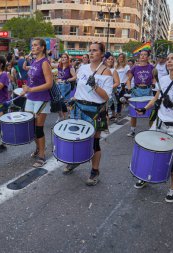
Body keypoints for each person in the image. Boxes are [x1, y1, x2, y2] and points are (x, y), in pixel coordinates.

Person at [134, 51, 173, 202]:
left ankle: (172, 189)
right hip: (160, 121)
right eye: (168, 59)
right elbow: (156, 98)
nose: (169, 61)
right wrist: (145, 108)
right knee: (151, 151)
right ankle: (145, 177)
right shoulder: (162, 79)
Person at [63, 42, 114, 186]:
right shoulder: (83, 68)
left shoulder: (106, 72)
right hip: (78, 108)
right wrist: (73, 100)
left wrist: (95, 86)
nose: (91, 53)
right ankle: (75, 161)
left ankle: (94, 171)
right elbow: (79, 88)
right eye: (90, 50)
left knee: (94, 142)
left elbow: (106, 97)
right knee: (75, 138)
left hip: (95, 111)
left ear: (102, 54)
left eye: (95, 51)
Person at [21, 38, 53, 168]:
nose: (32, 47)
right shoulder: (34, 61)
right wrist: (26, 90)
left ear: (42, 48)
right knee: (31, 127)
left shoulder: (45, 63)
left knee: (38, 129)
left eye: (35, 45)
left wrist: (31, 89)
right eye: (32, 45)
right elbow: (31, 81)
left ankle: (42, 155)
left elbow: (49, 84)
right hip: (31, 97)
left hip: (41, 98)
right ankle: (38, 148)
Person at [126, 50, 155, 137]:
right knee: (134, 112)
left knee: (150, 112)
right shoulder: (134, 68)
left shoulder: (151, 67)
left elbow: (154, 78)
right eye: (141, 55)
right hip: (137, 91)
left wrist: (153, 83)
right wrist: (129, 88)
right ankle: (132, 130)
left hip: (148, 90)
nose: (142, 56)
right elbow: (128, 80)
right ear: (139, 57)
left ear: (148, 57)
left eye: (145, 55)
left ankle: (152, 130)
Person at [55, 53, 77, 122]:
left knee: (64, 102)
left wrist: (67, 80)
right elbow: (49, 63)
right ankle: (61, 116)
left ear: (68, 59)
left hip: (65, 86)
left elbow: (75, 77)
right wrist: (49, 55)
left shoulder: (70, 67)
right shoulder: (59, 66)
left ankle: (66, 117)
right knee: (57, 102)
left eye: (65, 57)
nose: (63, 59)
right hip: (58, 85)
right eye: (62, 57)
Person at [114, 53, 130, 119]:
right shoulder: (116, 66)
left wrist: (127, 85)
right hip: (116, 85)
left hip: (123, 86)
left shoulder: (126, 66)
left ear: (124, 58)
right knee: (116, 100)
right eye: (119, 57)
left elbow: (129, 77)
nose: (120, 59)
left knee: (120, 100)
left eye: (122, 57)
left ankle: (119, 113)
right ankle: (117, 113)